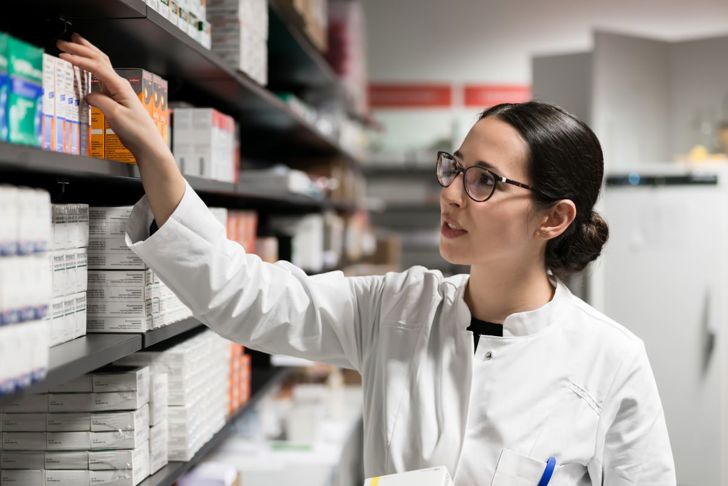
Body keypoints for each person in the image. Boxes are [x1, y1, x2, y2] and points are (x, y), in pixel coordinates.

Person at [58, 34, 676, 486]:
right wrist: (155, 155)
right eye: (455, 168)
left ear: (553, 218)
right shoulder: (397, 308)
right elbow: (244, 295)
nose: (452, 193)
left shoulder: (611, 361)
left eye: (484, 181)